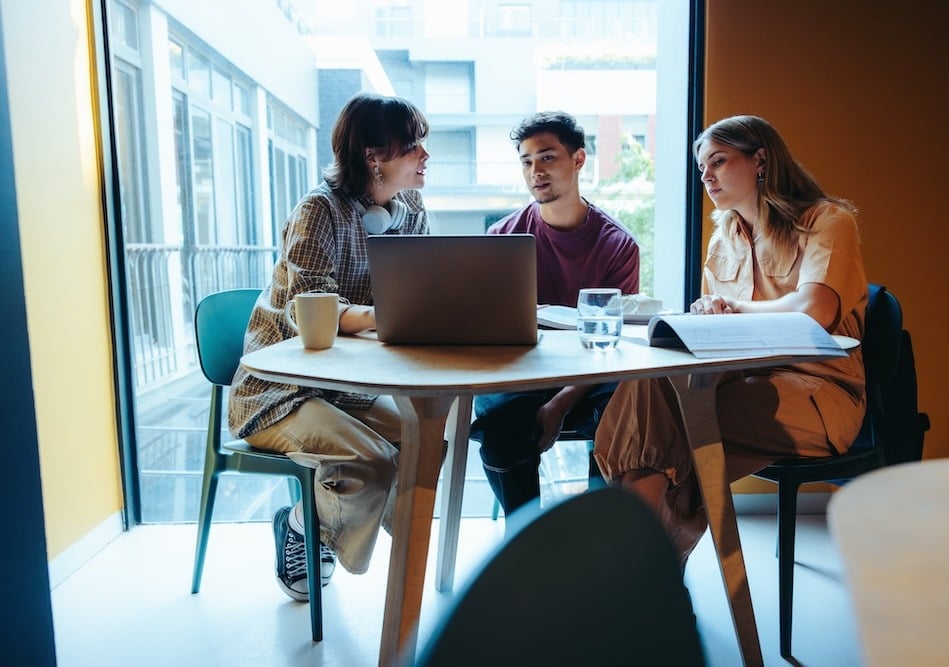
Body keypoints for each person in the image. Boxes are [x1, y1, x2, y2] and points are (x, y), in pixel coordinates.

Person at [594, 114, 867, 564]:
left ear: (760, 160)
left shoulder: (827, 221)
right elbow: (721, 334)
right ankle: (646, 582)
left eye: (719, 161)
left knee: (671, 434)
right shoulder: (724, 240)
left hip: (819, 392)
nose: (707, 176)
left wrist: (733, 308)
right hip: (743, 380)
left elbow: (815, 310)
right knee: (651, 387)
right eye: (703, 169)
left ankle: (634, 577)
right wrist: (706, 314)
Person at [227, 92, 430, 600]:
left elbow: (428, 280)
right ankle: (303, 527)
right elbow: (310, 315)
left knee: (426, 445)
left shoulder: (410, 207)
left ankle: (408, 570)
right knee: (371, 460)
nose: (426, 156)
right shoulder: (318, 212)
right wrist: (392, 317)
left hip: (353, 386)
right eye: (413, 146)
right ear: (373, 155)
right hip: (281, 390)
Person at [470, 111, 640, 517]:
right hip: (522, 377)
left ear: (578, 160)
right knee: (498, 422)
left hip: (590, 382)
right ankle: (525, 540)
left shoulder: (617, 245)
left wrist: (561, 403)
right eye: (526, 162)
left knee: (623, 408)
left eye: (547, 158)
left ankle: (600, 533)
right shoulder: (502, 238)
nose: (535, 172)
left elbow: (613, 348)